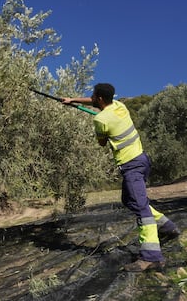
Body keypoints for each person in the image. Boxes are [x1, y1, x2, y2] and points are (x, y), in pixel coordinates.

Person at [63, 83, 180, 272]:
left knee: (141, 208)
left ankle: (152, 257)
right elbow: (96, 104)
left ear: (100, 98)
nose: (92, 97)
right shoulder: (120, 106)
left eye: (93, 95)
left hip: (131, 166)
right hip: (142, 160)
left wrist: (103, 127)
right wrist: (72, 100)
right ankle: (167, 226)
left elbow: (101, 142)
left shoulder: (100, 120)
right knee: (129, 200)